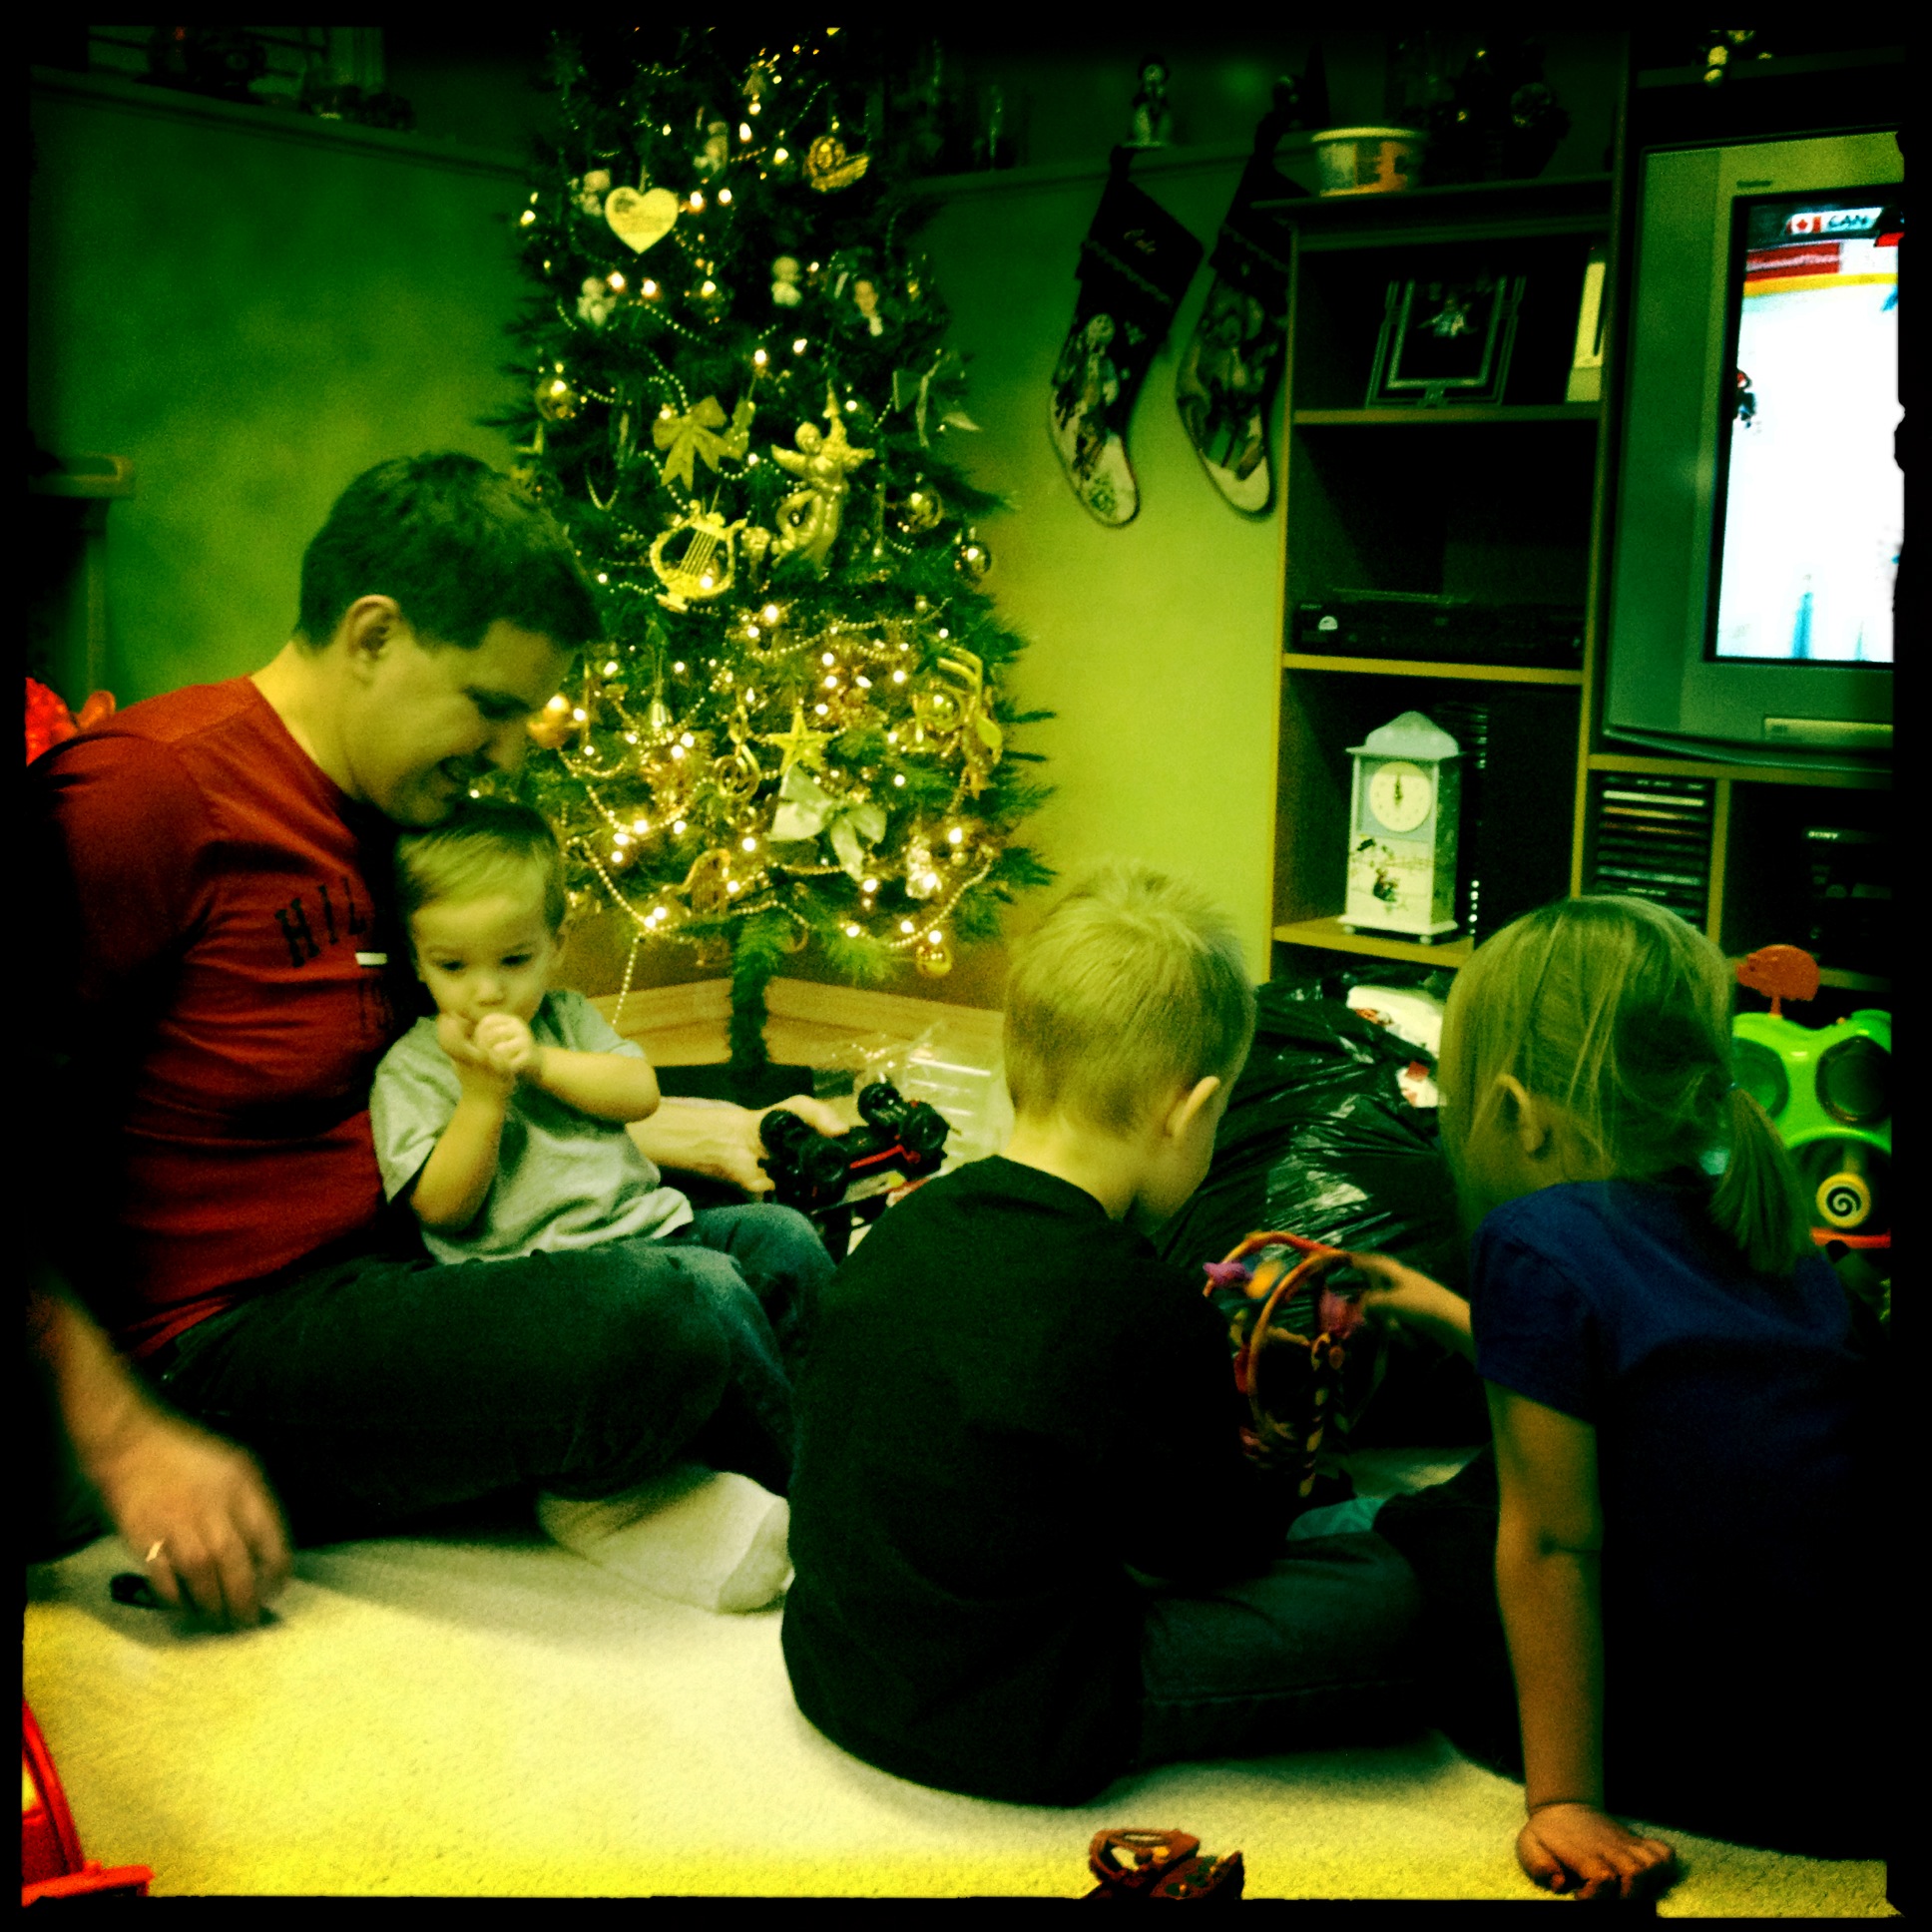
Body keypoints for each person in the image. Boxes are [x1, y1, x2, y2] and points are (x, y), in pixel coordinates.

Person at [28, 451, 841, 1628]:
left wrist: (693, 1122)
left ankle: (768, 1485)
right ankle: (866, 1559)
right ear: (373, 635)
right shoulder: (146, 796)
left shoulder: (396, 811)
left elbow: (466, 1058)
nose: (511, 755)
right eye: (492, 707)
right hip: (222, 1349)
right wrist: (123, 1439)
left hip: (417, 1263)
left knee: (770, 1247)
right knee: (680, 1307)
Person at [780, 862, 1425, 1805]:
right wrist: (1281, 1471)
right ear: (1189, 1111)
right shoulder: (1143, 1303)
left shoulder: (906, 1226)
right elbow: (1205, 1556)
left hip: (836, 1667)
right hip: (1025, 1717)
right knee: (1391, 1599)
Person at [1354, 896, 1889, 1896]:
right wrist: (1436, 1309)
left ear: (1516, 1108)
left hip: (1734, 1751)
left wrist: (1564, 1799)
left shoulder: (1536, 1240)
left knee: (1424, 1530)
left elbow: (1556, 1542)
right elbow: (1643, 1391)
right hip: (1855, 1745)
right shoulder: (1767, 1221)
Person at [369, 800, 818, 1549]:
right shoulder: (414, 1068)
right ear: (417, 960)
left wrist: (541, 1064)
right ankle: (806, 1483)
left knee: (782, 1236)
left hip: (651, 1230)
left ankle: (841, 1417)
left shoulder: (568, 1020)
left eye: (514, 961)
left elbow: (639, 1094)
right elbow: (443, 1210)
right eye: (453, 966)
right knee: (712, 1286)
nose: (487, 991)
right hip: (548, 1279)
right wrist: (482, 1097)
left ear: (555, 946)